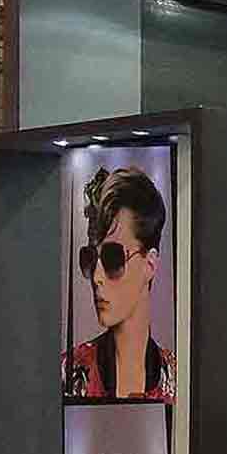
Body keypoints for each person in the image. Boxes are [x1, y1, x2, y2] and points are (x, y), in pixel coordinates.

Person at [62, 167, 175, 402]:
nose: (96, 277)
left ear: (150, 264)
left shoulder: (179, 378)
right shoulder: (67, 374)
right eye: (89, 259)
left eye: (113, 258)